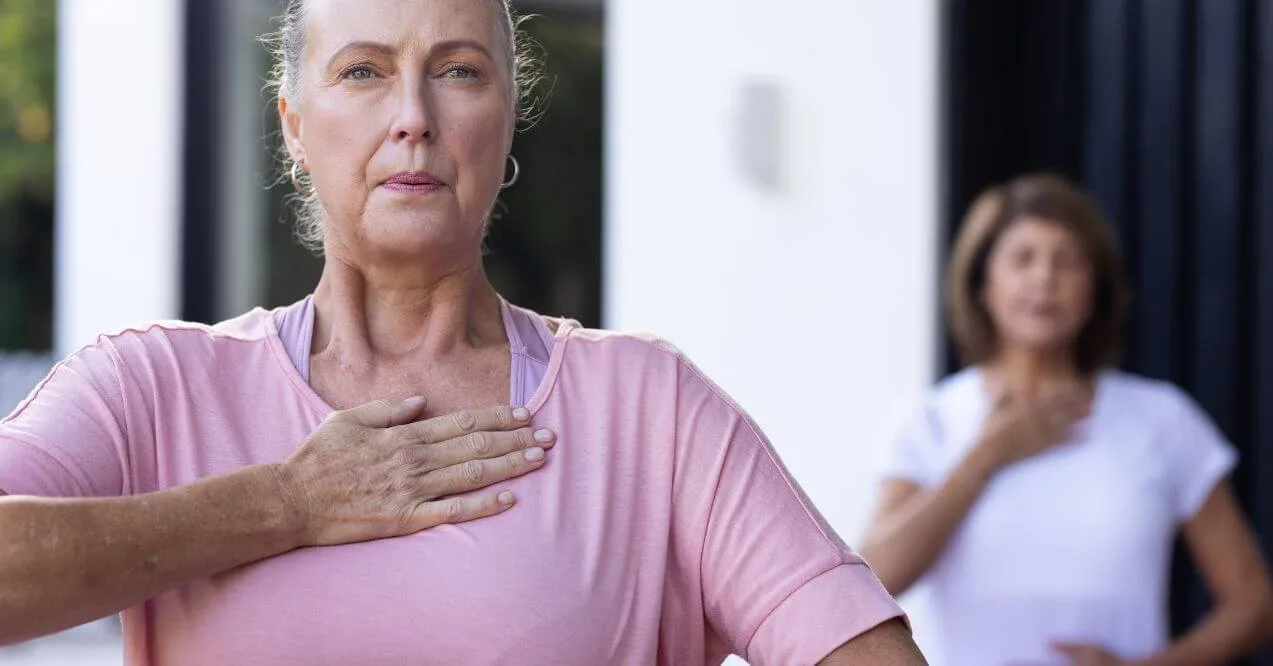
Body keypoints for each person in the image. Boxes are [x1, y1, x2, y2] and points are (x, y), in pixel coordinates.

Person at [0, 1, 924, 664]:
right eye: (362, 71)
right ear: (292, 125)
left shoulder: (651, 410)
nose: (413, 118)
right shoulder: (152, 386)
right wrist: (286, 503)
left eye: (457, 71)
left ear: (504, 117)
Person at [859, 172, 1273, 665]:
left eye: (1067, 260)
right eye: (1023, 258)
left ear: (1095, 286)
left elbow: (1254, 604)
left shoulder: (1162, 419)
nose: (1044, 279)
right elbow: (869, 583)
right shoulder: (930, 420)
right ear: (984, 282)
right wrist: (987, 455)